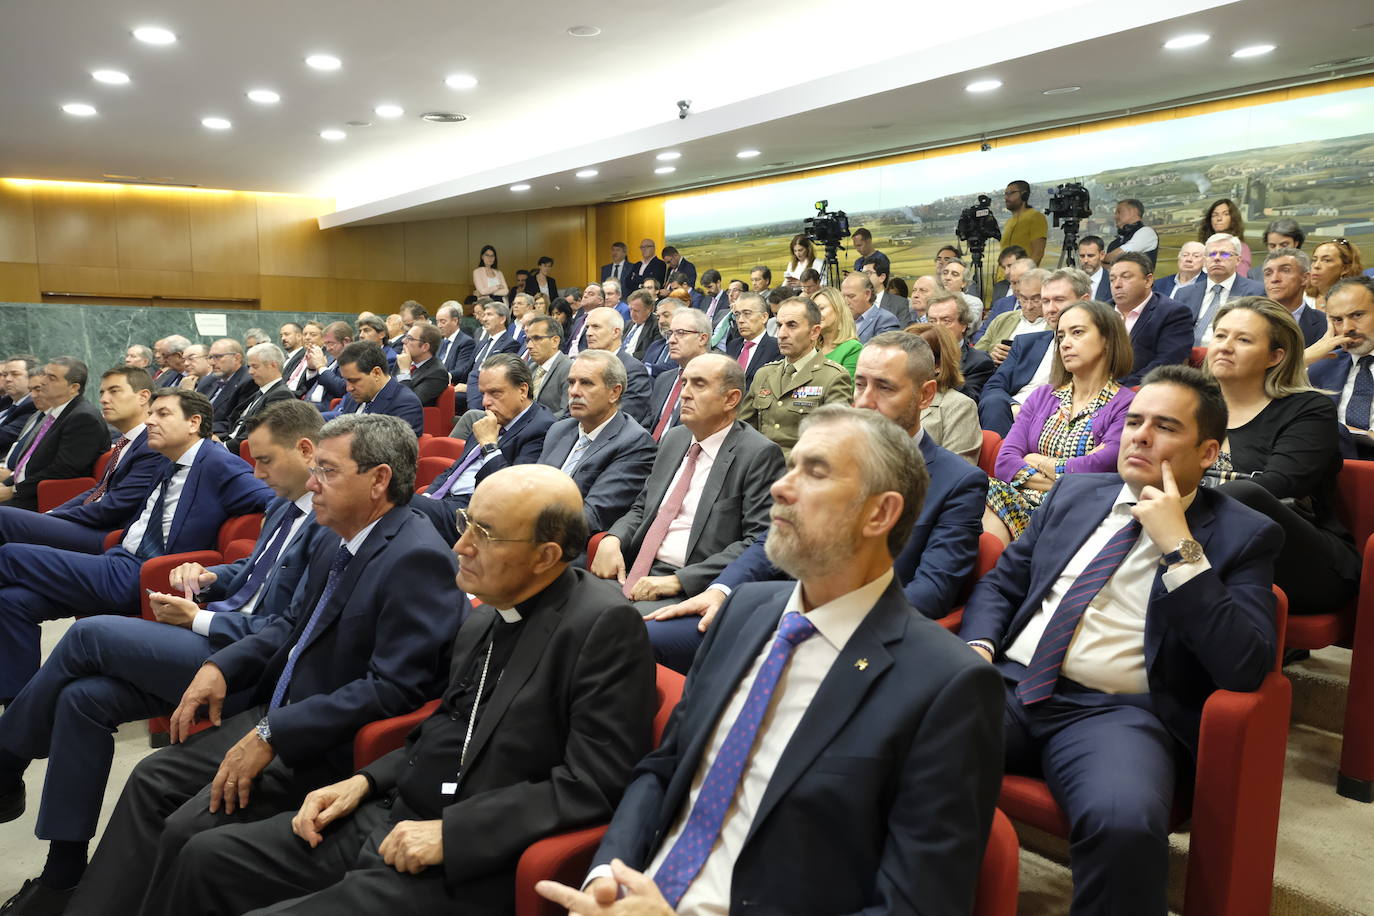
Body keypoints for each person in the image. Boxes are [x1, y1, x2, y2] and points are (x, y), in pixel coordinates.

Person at [543, 406, 1003, 916]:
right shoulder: (744, 610)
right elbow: (664, 767)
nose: (780, 489)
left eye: (815, 472)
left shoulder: (949, 685)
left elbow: (915, 906)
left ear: (879, 513)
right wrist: (609, 874)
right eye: (790, 467)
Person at [157, 466, 656, 915]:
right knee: (207, 856)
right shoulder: (490, 609)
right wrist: (365, 782)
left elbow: (592, 784)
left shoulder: (603, 625)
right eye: (467, 522)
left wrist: (452, 835)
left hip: (465, 858)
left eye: (485, 534)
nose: (460, 545)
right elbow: (447, 723)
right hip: (393, 813)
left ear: (546, 555)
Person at [63, 414, 461, 916]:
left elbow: (391, 689)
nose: (312, 483)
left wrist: (276, 733)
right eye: (314, 468)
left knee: (189, 831)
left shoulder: (415, 557)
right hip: (275, 713)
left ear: (379, 480)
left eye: (329, 472)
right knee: (151, 777)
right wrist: (222, 667)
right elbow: (290, 625)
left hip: (320, 741)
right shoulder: (332, 533)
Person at [962, 364, 1282, 916]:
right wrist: (977, 649)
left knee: (1124, 825)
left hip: (1116, 715)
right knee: (884, 743)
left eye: (1165, 426)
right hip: (1010, 686)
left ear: (1208, 452)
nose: (1140, 435)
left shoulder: (1241, 534)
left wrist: (1181, 549)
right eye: (1134, 420)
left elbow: (1246, 666)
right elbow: (1004, 582)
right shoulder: (1076, 493)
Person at [0, 401, 328, 913]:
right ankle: (62, 874)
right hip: (222, 627)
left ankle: (5, 763)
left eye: (264, 461)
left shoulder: (329, 520)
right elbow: (257, 573)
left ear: (306, 452)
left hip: (243, 660)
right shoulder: (287, 503)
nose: (256, 472)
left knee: (88, 637)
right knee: (82, 698)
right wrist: (211, 575)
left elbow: (286, 627)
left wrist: (198, 619)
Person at [645, 333, 987, 670]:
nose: (865, 401)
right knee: (641, 636)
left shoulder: (957, 481)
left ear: (925, 394)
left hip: (857, 631)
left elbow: (933, 589)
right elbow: (776, 534)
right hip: (780, 603)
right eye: (860, 384)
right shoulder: (834, 453)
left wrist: (828, 620)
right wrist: (721, 589)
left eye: (884, 387)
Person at [0, 388, 272, 703]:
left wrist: (273, 514)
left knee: (9, 555)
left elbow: (272, 497)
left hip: (139, 574)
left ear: (194, 422)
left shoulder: (216, 463)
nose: (151, 421)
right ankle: (15, 700)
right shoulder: (166, 460)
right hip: (116, 557)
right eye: (151, 413)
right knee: (11, 601)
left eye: (163, 414)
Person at [591, 354, 783, 613]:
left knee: (607, 627)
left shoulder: (758, 454)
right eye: (684, 383)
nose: (685, 393)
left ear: (731, 399)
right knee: (560, 602)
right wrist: (613, 538)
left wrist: (679, 581)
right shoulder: (675, 438)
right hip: (635, 569)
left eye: (699, 384)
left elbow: (758, 541)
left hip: (690, 585)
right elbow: (643, 507)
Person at [1203, 296, 1359, 615]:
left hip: (1304, 561)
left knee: (1243, 494)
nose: (1225, 346)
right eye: (1220, 335)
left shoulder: (1309, 410)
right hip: (1200, 549)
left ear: (1275, 356)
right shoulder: (1190, 404)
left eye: (1243, 339)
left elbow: (1276, 487)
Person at [984, 300, 1136, 544]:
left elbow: (1101, 468)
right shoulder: (1043, 396)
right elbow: (1005, 461)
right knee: (976, 487)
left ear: (1107, 339)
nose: (1064, 343)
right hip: (1020, 501)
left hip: (1080, 511)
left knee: (984, 500)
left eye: (1077, 333)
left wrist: (1037, 460)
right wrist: (1067, 472)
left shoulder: (1128, 405)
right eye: (1061, 335)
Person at [0, 367, 161, 555]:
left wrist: (57, 517)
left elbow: (114, 506)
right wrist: (52, 514)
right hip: (88, 522)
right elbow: (99, 489)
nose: (103, 399)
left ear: (143, 397)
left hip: (107, 534)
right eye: (102, 392)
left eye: (114, 391)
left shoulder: (151, 446)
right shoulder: (126, 442)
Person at [538, 351, 657, 532]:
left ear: (614, 392)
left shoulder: (635, 442)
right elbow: (534, 489)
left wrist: (528, 525)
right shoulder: (559, 430)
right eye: (571, 382)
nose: (574, 392)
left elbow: (592, 518)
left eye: (586, 383)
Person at [421, 354, 555, 512]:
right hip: (446, 502)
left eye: (495, 393)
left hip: (476, 511)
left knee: (394, 503)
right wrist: (428, 497)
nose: (485, 402)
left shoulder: (542, 428)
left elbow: (512, 493)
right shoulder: (490, 420)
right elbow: (454, 470)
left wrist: (489, 446)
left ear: (522, 390)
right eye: (483, 393)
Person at [739, 297, 853, 457]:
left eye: (792, 325)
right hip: (759, 470)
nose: (782, 334)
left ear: (814, 332)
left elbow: (835, 443)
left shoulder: (833, 378)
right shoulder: (764, 374)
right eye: (779, 325)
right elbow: (743, 430)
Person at [0, 358, 107, 512]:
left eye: (52, 378)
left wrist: (14, 490)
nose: (42, 381)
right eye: (44, 375)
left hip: (44, 500)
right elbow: (30, 460)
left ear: (73, 387)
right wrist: (8, 483)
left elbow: (63, 471)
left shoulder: (83, 418)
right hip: (26, 490)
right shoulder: (54, 412)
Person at [1309, 277, 1374, 460]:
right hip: (1331, 472)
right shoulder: (1320, 368)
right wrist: (1303, 359)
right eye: (1337, 320)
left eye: (1357, 315)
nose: (1346, 328)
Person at [1107, 252, 1193, 385]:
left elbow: (1166, 364)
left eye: (1126, 277)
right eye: (1112, 279)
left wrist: (1118, 388)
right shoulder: (1100, 312)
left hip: (1139, 392)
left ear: (1148, 281)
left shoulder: (1173, 313)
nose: (1117, 284)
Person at [907, 323, 981, 464]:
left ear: (938, 365)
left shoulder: (959, 407)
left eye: (912, 358)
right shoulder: (883, 397)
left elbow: (955, 474)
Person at [1174, 233, 1266, 346]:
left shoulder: (1256, 292)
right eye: (1211, 254)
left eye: (1225, 254)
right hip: (1186, 356)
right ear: (1205, 260)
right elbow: (1174, 333)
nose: (1217, 258)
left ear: (1238, 260)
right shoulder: (1184, 293)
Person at [323, 343, 425, 436]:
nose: (348, 388)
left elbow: (389, 452)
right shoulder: (354, 396)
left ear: (376, 373)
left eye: (354, 380)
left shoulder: (406, 405)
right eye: (346, 380)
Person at [582, 307, 654, 428]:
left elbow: (626, 417)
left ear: (615, 332)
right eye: (587, 327)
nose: (588, 333)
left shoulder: (632, 370)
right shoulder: (584, 366)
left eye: (596, 327)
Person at [647, 309, 712, 443]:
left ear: (702, 338)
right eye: (670, 333)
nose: (671, 340)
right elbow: (648, 423)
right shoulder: (664, 379)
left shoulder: (713, 380)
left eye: (681, 333)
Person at [223, 344, 297, 457]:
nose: (250, 372)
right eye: (249, 367)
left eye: (255, 366)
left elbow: (260, 432)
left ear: (273, 365)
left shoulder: (281, 395)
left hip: (243, 452)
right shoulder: (261, 391)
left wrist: (224, 446)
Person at [927, 291, 995, 402]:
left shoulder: (979, 362)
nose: (937, 327)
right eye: (932, 321)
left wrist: (945, 364)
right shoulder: (917, 355)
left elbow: (967, 402)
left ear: (963, 325)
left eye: (946, 321)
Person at [975, 268, 1049, 362]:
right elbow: (975, 355)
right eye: (1023, 299)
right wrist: (990, 356)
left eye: (1036, 299)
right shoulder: (1002, 320)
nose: (1028, 306)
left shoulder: (1057, 325)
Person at [458, 300, 520, 409]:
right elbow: (467, 368)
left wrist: (469, 387)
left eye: (489, 315)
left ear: (502, 319)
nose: (484, 319)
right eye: (484, 315)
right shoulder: (482, 343)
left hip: (485, 392)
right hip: (469, 385)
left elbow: (499, 377)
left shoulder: (510, 344)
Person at [1261, 248, 1327, 346]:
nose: (1274, 279)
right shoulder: (1249, 321)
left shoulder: (1325, 324)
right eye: (1268, 273)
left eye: (1285, 271)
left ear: (1305, 278)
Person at [723, 293, 780, 388]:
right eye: (737, 315)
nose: (740, 320)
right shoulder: (733, 345)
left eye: (747, 314)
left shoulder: (776, 348)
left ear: (764, 317)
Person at [974, 257, 1035, 340]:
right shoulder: (1001, 304)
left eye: (1021, 282)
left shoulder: (1042, 306)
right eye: (1013, 283)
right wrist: (992, 348)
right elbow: (981, 334)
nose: (1017, 288)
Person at [394, 323, 449, 408]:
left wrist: (405, 371)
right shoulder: (403, 361)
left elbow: (409, 403)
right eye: (405, 336)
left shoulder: (437, 373)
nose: (403, 341)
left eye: (410, 338)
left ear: (425, 347)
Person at [812, 285, 861, 377]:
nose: (816, 315)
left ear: (838, 310)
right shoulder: (810, 349)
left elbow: (847, 388)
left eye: (821, 308)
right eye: (813, 311)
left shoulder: (853, 348)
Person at [842, 272, 901, 343]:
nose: (845, 302)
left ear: (867, 294)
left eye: (851, 296)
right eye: (842, 297)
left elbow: (884, 352)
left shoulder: (885, 320)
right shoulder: (841, 320)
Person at [1198, 198, 1252, 275]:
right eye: (1215, 215)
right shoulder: (1203, 246)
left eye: (1225, 214)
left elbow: (1242, 277)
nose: (1219, 219)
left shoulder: (1241, 248)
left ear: (1233, 218)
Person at [1308, 237, 1365, 309]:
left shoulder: (1359, 302)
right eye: (1314, 260)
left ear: (1345, 268)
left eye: (1326, 260)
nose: (1316, 266)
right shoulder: (1301, 298)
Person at [1103, 198, 1159, 269]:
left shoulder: (1147, 232)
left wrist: (1098, 262)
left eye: (1119, 212)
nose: (1115, 217)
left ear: (1133, 211)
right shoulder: (1114, 243)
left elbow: (1117, 256)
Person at [1002, 180, 1048, 265]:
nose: (1006, 198)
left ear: (1024, 195)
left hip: (1022, 275)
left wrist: (1026, 274)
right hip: (1004, 276)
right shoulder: (1009, 222)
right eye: (1005, 194)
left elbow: (1038, 254)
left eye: (1011, 193)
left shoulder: (1035, 217)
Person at [1248, 217, 1307, 281]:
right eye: (1272, 246)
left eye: (1284, 245)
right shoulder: (1255, 275)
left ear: (1296, 243)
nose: (1278, 250)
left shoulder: (1309, 272)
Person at [433, 302, 476, 388]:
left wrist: (443, 377)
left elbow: (461, 370)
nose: (439, 326)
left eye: (443, 322)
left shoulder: (466, 342)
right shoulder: (440, 341)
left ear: (455, 321)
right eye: (437, 322)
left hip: (451, 384)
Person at [863, 260, 911, 324]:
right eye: (862, 274)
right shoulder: (858, 301)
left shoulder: (899, 304)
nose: (863, 278)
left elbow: (901, 332)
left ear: (882, 277)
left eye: (867, 273)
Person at [1079, 235, 1112, 303]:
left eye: (1090, 256)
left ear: (1102, 255)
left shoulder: (1112, 282)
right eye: (1082, 256)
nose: (1085, 260)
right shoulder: (1072, 281)